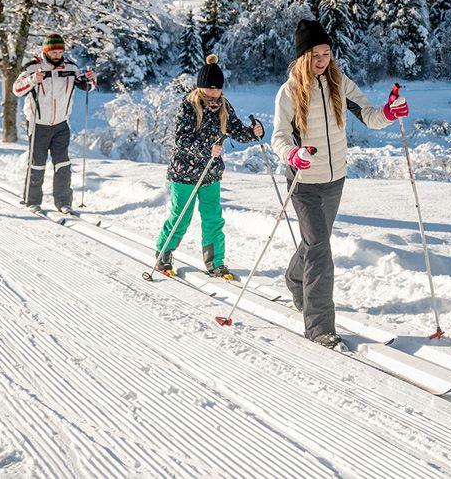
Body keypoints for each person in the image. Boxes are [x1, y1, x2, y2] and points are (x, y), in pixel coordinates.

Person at [271, 19, 409, 348]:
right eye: (316, 55)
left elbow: (369, 114)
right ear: (303, 57)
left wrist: (390, 112)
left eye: (327, 53)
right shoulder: (289, 91)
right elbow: (279, 137)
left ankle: (294, 279)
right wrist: (293, 154)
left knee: (314, 242)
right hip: (303, 181)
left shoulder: (339, 83)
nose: (323, 60)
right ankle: (320, 326)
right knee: (320, 249)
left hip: (335, 179)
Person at [155, 54, 263, 279]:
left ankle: (215, 262)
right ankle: (164, 253)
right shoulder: (189, 105)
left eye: (217, 90)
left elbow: (236, 130)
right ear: (200, 87)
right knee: (181, 216)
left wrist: (252, 133)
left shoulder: (224, 105)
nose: (213, 94)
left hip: (210, 173)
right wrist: (207, 149)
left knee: (213, 217)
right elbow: (182, 139)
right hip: (185, 172)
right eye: (209, 89)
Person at [12, 32, 95, 215]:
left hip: (61, 123)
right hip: (38, 123)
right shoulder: (33, 67)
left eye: (60, 51)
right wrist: (33, 79)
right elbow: (16, 89)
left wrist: (91, 78)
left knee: (63, 163)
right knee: (37, 163)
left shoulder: (71, 68)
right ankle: (32, 201)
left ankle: (64, 202)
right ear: (46, 51)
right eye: (54, 52)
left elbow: (86, 86)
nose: (57, 55)